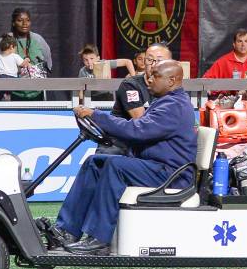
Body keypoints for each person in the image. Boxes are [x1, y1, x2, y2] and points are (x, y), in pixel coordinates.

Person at [49, 60, 197, 255]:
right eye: (149, 75)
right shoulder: (164, 101)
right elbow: (139, 131)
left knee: (116, 167)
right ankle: (67, 230)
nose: (149, 79)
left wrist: (97, 116)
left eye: (156, 76)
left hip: (171, 174)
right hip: (155, 166)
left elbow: (138, 130)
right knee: (96, 162)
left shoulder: (174, 106)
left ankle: (99, 239)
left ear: (172, 81)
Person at [0, 8, 52, 100]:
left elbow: (47, 62)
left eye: (27, 20)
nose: (25, 24)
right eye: (20, 20)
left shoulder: (38, 39)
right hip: (12, 92)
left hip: (36, 92)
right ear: (13, 23)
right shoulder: (7, 39)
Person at [203, 28, 247, 99]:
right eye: (240, 41)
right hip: (232, 105)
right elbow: (205, 82)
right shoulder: (223, 62)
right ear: (234, 44)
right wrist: (228, 90)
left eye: (246, 41)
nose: (243, 44)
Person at [112, 42, 172, 120]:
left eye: (159, 60)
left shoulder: (171, 86)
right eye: (149, 60)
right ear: (145, 62)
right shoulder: (130, 85)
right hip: (127, 131)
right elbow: (143, 122)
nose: (153, 65)